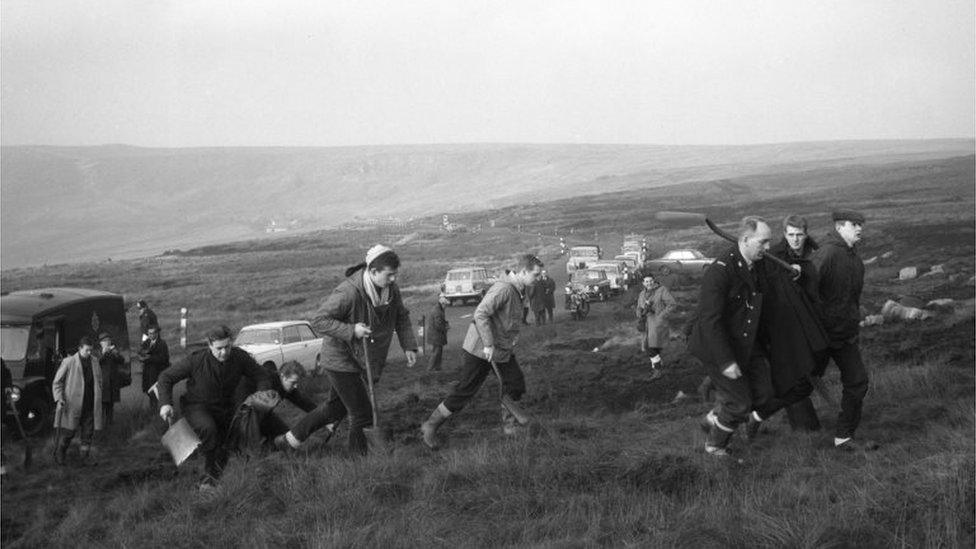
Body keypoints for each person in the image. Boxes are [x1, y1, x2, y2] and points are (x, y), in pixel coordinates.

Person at [275, 245, 418, 455]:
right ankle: (356, 462)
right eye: (389, 275)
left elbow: (401, 316)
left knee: (335, 408)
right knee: (362, 413)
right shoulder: (349, 291)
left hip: (362, 359)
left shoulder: (391, 290)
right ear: (373, 271)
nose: (393, 279)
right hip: (340, 359)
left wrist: (409, 345)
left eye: (395, 274)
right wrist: (352, 330)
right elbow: (319, 320)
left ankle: (289, 440)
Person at [688, 217, 813, 457]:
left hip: (745, 342)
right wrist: (726, 361)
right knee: (740, 404)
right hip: (716, 346)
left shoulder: (758, 263)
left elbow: (773, 277)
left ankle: (714, 418)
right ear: (745, 240)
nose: (768, 248)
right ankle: (715, 447)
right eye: (763, 242)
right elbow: (709, 321)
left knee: (764, 395)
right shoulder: (719, 272)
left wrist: (792, 271)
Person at [420, 254, 544, 449]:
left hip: (501, 349)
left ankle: (510, 428)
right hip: (480, 349)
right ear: (523, 272)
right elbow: (480, 313)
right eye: (535, 275)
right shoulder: (503, 289)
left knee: (515, 383)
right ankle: (430, 425)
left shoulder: (519, 290)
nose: (537, 279)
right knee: (466, 390)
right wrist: (488, 343)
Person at [157, 325, 272, 487]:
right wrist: (165, 404)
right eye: (219, 348)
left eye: (227, 347)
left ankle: (218, 479)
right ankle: (206, 480)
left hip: (225, 408)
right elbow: (166, 377)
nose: (224, 352)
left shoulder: (240, 358)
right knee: (209, 429)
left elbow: (261, 375)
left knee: (230, 440)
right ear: (210, 345)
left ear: (231, 343)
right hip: (196, 406)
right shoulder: (196, 360)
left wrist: (261, 395)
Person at [811, 210, 875, 451]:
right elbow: (808, 294)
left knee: (858, 382)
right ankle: (748, 411)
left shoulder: (853, 257)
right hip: (821, 335)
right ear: (840, 226)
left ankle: (843, 437)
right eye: (854, 224)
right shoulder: (826, 254)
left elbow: (850, 297)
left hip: (845, 335)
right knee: (796, 386)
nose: (860, 228)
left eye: (861, 224)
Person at [762, 215, 828, 432]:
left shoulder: (811, 256)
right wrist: (787, 277)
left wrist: (803, 278)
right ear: (784, 235)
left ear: (806, 234)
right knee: (794, 375)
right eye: (791, 235)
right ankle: (804, 429)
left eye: (799, 235)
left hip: (809, 325)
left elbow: (815, 292)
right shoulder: (772, 259)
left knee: (810, 370)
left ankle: (804, 428)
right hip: (784, 329)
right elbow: (767, 289)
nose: (795, 239)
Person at [52, 337, 103, 465]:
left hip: (90, 404)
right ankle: (60, 454)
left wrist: (99, 393)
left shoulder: (95, 361)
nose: (89, 353)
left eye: (91, 350)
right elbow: (57, 382)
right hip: (72, 405)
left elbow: (99, 380)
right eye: (87, 350)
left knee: (87, 433)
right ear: (80, 349)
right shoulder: (69, 362)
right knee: (69, 432)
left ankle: (84, 458)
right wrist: (59, 398)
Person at [636, 274, 676, 379]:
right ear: (643, 283)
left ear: (654, 281)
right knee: (653, 348)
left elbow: (672, 304)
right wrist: (640, 313)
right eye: (646, 281)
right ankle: (656, 367)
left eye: (650, 281)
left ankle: (657, 371)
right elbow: (638, 308)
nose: (649, 283)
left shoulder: (662, 290)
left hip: (658, 323)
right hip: (646, 324)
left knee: (650, 347)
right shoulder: (642, 294)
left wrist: (661, 316)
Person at [96, 332, 128, 427]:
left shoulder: (114, 351)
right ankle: (100, 426)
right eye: (105, 341)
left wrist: (115, 353)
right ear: (101, 343)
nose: (107, 342)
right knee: (102, 406)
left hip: (112, 383)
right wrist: (103, 354)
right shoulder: (97, 352)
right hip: (103, 384)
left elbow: (122, 360)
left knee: (110, 406)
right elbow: (97, 363)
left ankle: (110, 425)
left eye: (109, 340)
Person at [138, 325, 170, 410]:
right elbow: (140, 352)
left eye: (153, 333)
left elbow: (164, 358)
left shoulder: (162, 344)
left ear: (157, 333)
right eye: (149, 333)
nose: (151, 335)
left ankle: (157, 409)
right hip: (147, 371)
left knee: (156, 392)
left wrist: (150, 358)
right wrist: (141, 357)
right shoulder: (146, 343)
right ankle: (153, 409)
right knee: (148, 390)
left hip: (157, 371)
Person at [426, 295, 451, 372]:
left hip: (435, 335)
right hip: (436, 335)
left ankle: (437, 368)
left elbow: (439, 322)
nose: (446, 307)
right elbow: (438, 325)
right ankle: (430, 369)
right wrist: (446, 327)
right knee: (436, 352)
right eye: (446, 305)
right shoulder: (438, 311)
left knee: (438, 352)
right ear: (443, 304)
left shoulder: (438, 309)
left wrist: (445, 323)